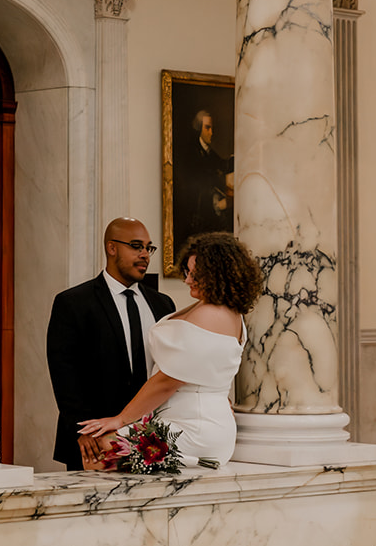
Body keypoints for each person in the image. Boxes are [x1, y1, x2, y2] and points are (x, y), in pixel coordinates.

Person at [78, 232, 263, 469]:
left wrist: (121, 419)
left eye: (196, 274)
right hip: (198, 421)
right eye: (187, 272)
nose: (187, 280)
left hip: (195, 427)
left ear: (217, 274)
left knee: (103, 450)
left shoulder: (211, 314)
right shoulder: (224, 311)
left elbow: (167, 380)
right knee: (99, 455)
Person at [46, 218, 177, 470]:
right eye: (136, 246)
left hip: (154, 439)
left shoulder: (163, 304)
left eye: (148, 248)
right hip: (94, 441)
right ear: (111, 248)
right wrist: (83, 430)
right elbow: (64, 374)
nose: (144, 255)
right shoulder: (73, 303)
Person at [176, 109, 232, 242]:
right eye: (207, 128)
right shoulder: (191, 154)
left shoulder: (209, 152)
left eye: (211, 128)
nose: (211, 133)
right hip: (199, 213)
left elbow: (221, 165)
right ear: (198, 128)